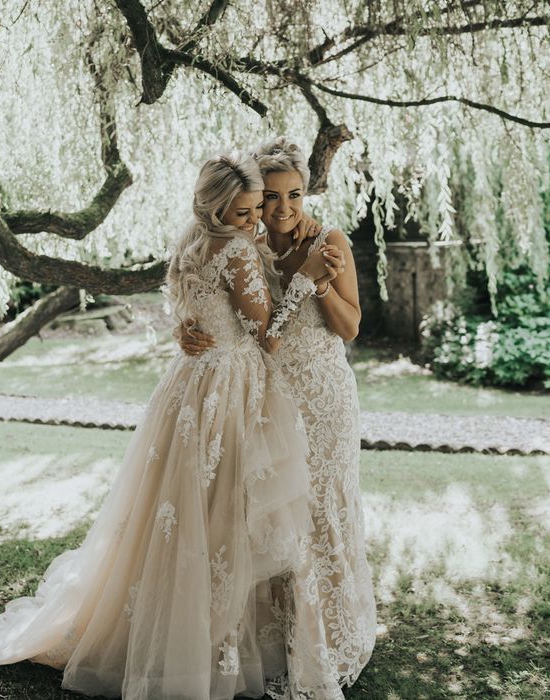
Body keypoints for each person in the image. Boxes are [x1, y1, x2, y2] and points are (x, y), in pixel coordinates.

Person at [0, 152, 346, 699]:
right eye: (243, 212)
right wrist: (307, 280)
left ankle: (174, 627)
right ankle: (205, 641)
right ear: (217, 208)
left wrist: (189, 327)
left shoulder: (190, 243)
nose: (254, 221)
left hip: (190, 385)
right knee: (221, 515)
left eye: (254, 210)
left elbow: (188, 309)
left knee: (182, 510)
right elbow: (267, 334)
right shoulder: (237, 249)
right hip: (228, 388)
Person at [179, 138, 377, 693]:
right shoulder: (249, 242)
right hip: (268, 397)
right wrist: (190, 327)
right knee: (277, 517)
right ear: (256, 200)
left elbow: (350, 325)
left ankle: (329, 639)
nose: (284, 208)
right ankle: (276, 639)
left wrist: (314, 278)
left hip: (324, 394)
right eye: (272, 197)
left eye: (295, 195)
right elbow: (225, 304)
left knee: (325, 512)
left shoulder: (330, 240)